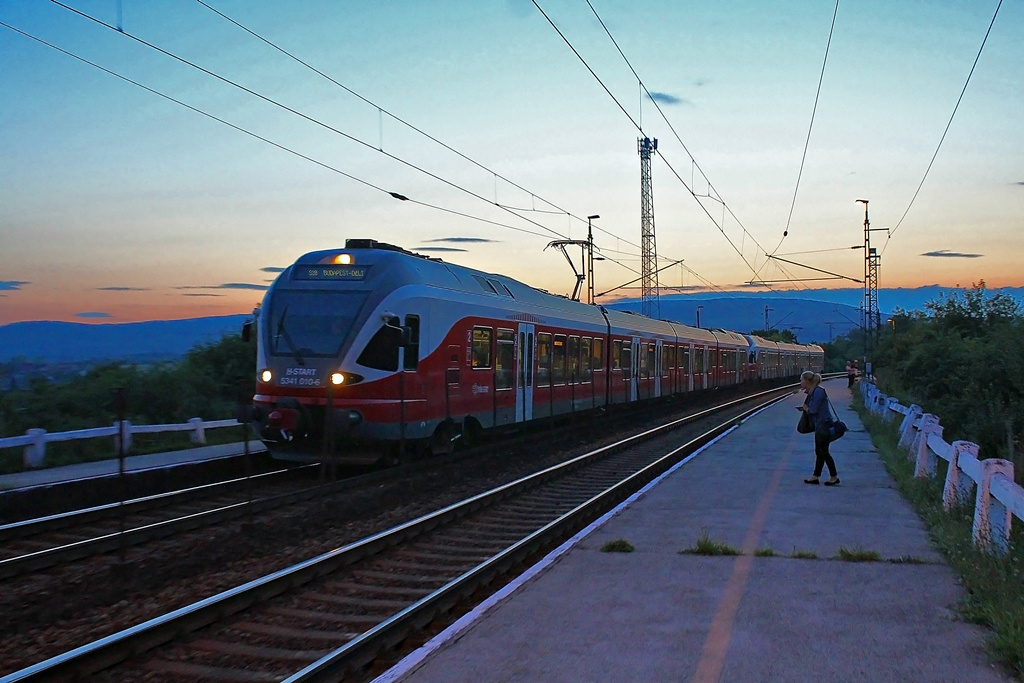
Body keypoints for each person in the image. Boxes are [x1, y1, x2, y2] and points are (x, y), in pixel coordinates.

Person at [797, 370, 839, 486]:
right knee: (820, 451)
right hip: (820, 424)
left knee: (823, 452)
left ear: (807, 381)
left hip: (823, 425)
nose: (800, 382)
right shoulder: (814, 391)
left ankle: (833, 476)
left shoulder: (818, 392)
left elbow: (813, 410)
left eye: (801, 380)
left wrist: (806, 409)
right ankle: (815, 476)